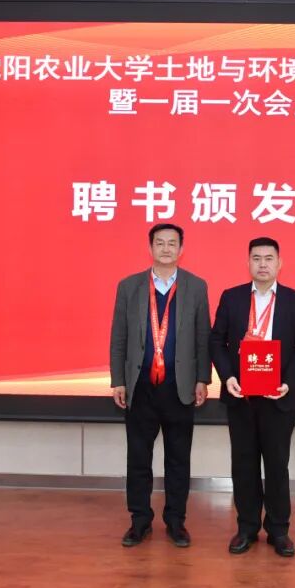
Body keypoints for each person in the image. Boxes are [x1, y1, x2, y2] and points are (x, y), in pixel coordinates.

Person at [209, 236, 295, 557]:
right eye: (256, 258)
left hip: (278, 397)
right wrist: (227, 377)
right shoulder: (232, 298)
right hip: (240, 395)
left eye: (269, 258)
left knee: (277, 464)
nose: (263, 264)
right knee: (243, 464)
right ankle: (247, 527)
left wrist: (288, 381)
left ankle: (279, 530)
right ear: (248, 263)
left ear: (280, 263)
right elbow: (217, 341)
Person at [109, 223, 211, 548]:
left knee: (178, 459)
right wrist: (118, 380)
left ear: (181, 249)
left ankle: (176, 521)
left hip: (180, 387)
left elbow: (203, 338)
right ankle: (139, 521)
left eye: (172, 243)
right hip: (140, 387)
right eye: (160, 243)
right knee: (138, 458)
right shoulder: (129, 287)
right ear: (150, 248)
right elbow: (119, 337)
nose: (166, 248)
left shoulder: (196, 286)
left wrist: (203, 378)